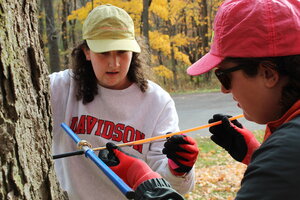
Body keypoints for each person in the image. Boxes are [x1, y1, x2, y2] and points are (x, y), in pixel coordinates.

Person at [99, 0, 300, 199]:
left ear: (268, 74)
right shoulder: (286, 153)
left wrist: (143, 179)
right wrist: (256, 154)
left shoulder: (285, 154)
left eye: (224, 76)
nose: (223, 89)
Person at [50, 4, 198, 200]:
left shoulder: (157, 101)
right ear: (87, 51)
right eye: (103, 52)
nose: (114, 63)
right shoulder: (60, 88)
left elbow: (171, 187)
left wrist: (178, 168)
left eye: (122, 51)